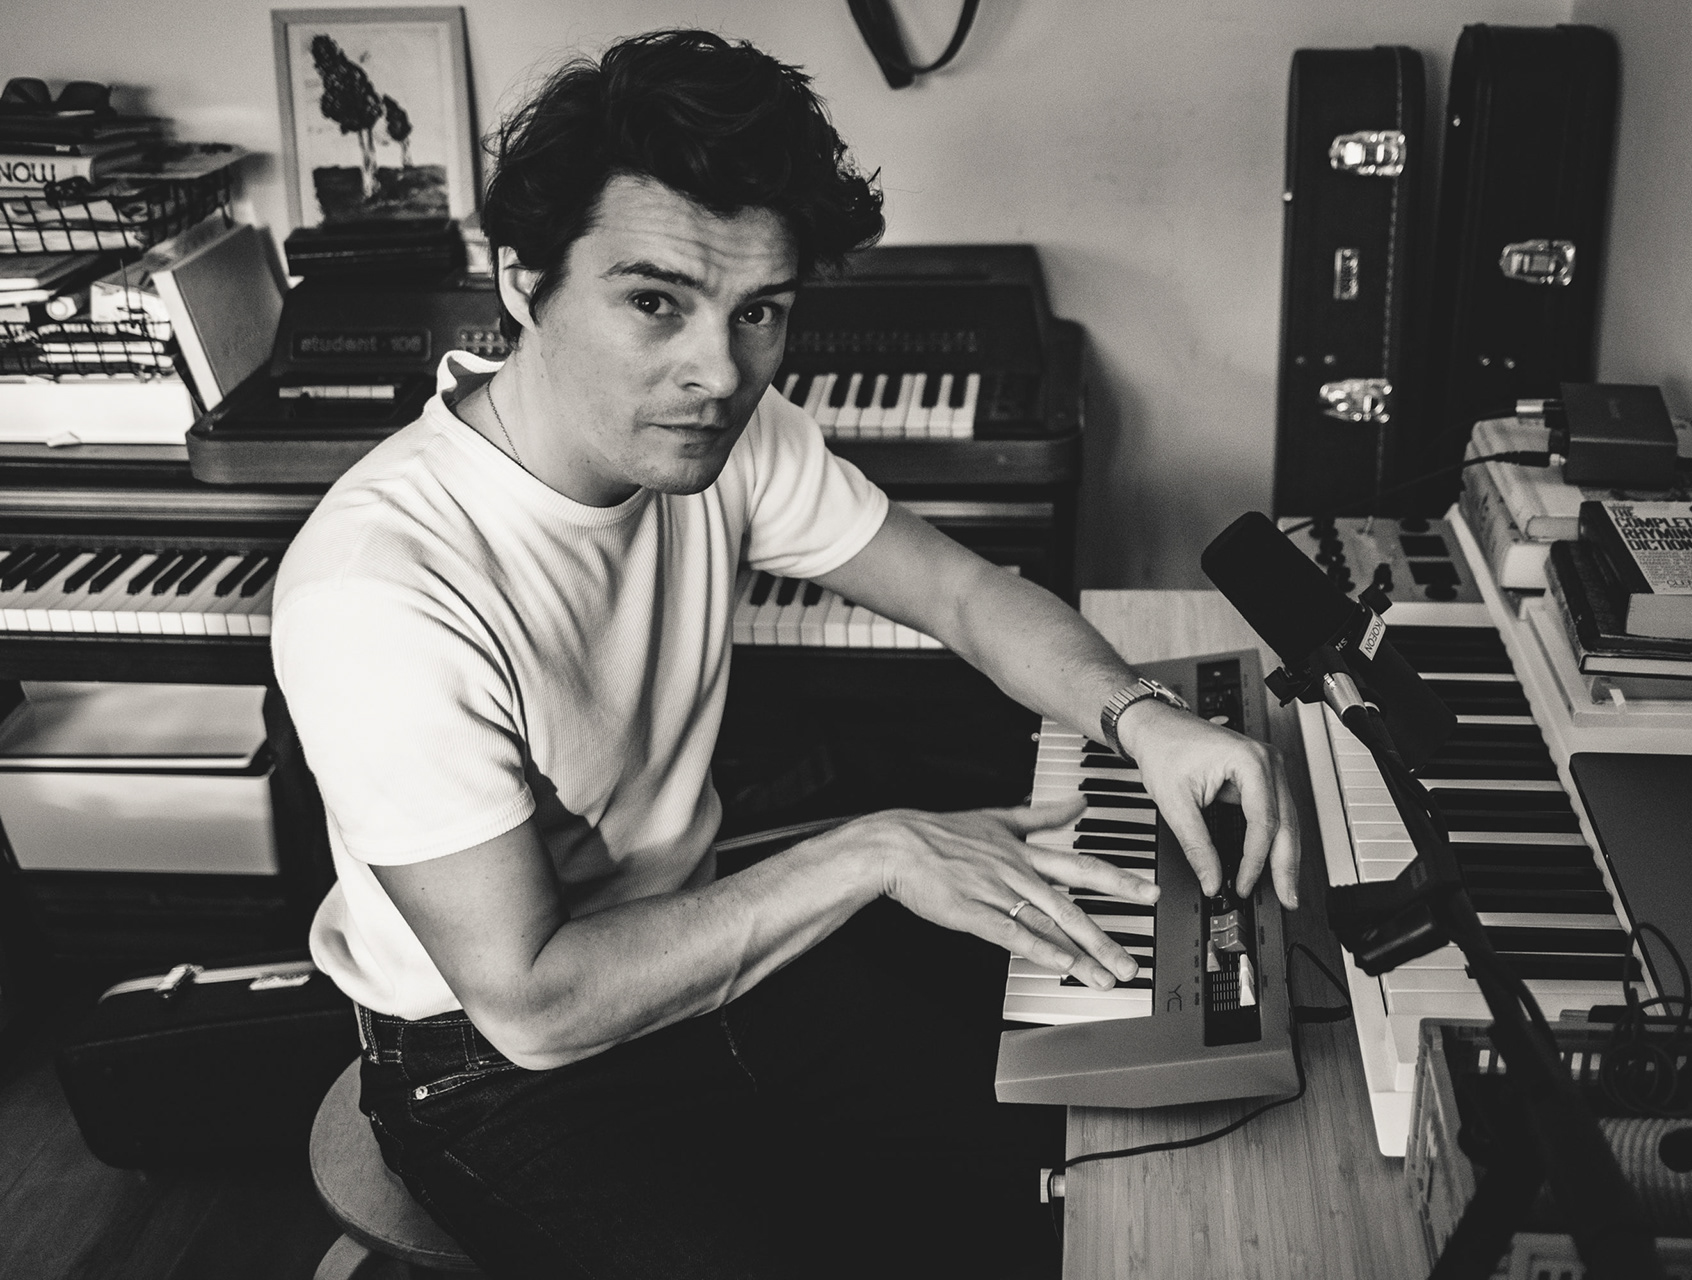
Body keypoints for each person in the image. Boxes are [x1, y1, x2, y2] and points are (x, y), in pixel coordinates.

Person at [273, 28, 1299, 1280]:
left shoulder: (730, 438)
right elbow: (535, 1000)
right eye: (654, 301)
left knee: (1049, 1173)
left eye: (758, 312)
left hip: (710, 945)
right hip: (492, 1061)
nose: (719, 372)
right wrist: (872, 850)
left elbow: (966, 594)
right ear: (524, 280)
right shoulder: (380, 589)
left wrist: (1144, 714)